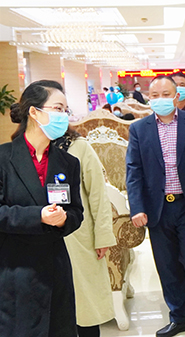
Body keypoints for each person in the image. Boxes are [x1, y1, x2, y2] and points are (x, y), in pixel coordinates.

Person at [126, 76, 185, 337]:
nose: (161, 99)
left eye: (166, 94)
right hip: (158, 208)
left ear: (176, 96)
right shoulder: (139, 129)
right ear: (148, 98)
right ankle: (179, 317)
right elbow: (134, 170)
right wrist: (137, 207)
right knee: (166, 265)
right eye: (155, 95)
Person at [0, 80, 84, 336]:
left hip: (55, 267)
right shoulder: (4, 158)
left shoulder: (68, 162)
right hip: (15, 268)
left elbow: (76, 213)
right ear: (34, 112)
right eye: (57, 109)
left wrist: (63, 219)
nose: (63, 116)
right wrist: (38, 216)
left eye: (65, 110)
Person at [56, 127, 117, 337]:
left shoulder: (78, 147)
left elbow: (98, 194)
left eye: (62, 111)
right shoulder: (22, 149)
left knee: (85, 306)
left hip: (79, 237)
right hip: (39, 238)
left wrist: (103, 236)